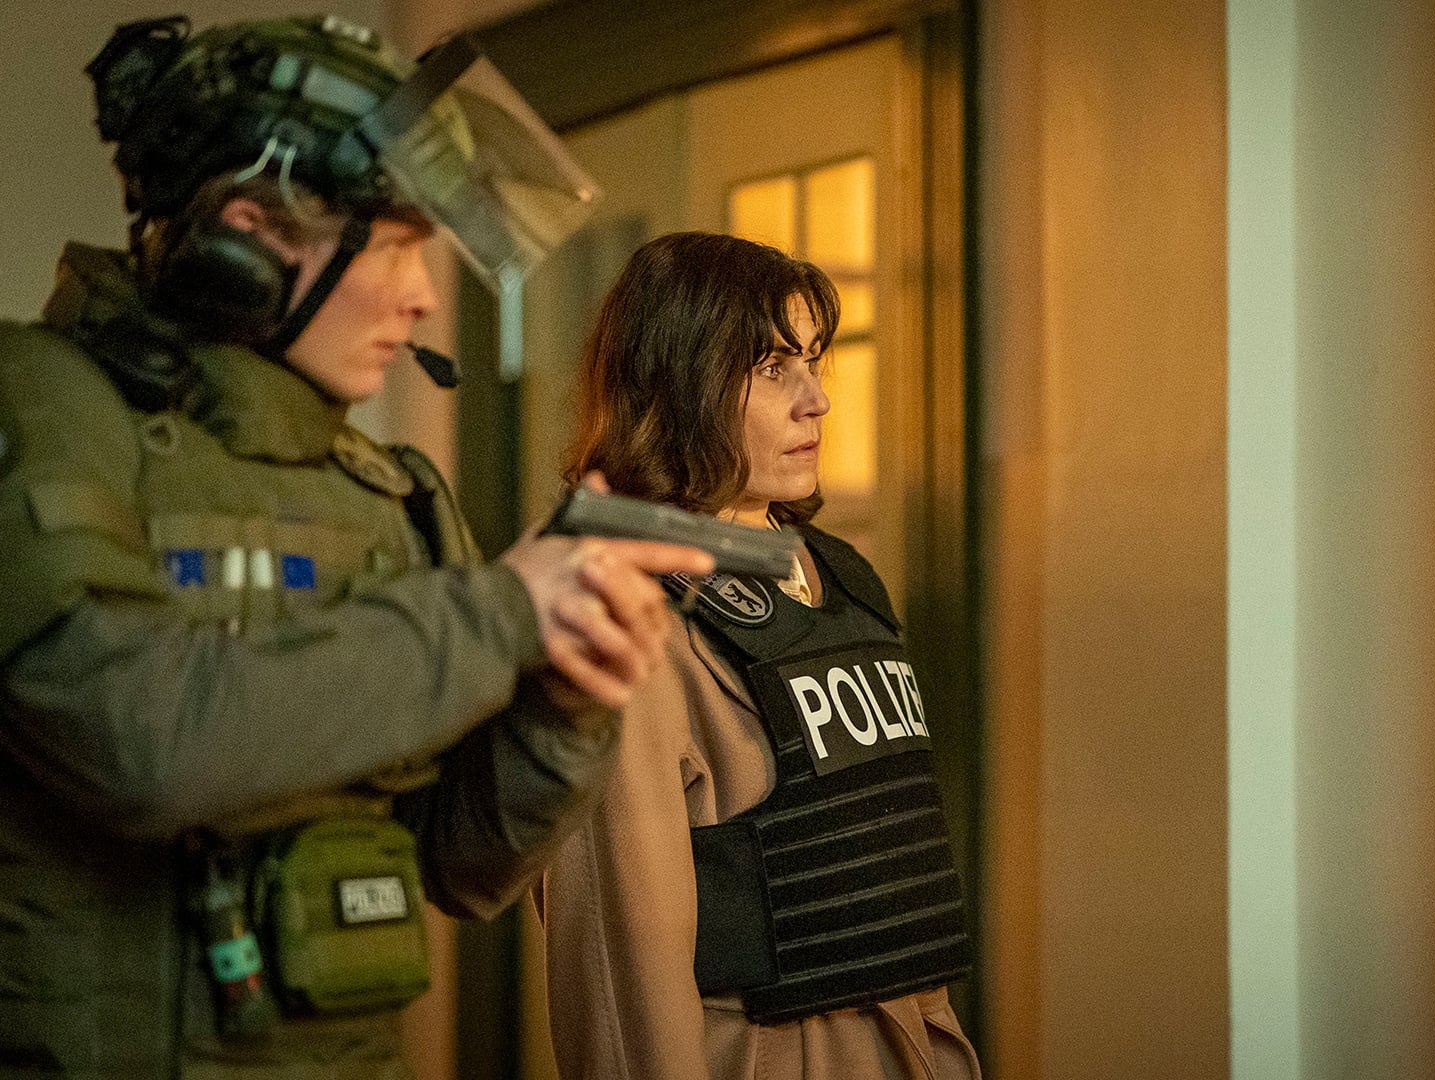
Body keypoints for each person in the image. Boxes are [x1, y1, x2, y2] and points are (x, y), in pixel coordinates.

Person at [0, 15, 714, 1076]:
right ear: (246, 239)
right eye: (394, 246)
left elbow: (461, 864)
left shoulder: (386, 490)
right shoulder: (41, 405)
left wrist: (562, 709)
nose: (424, 297)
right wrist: (502, 612)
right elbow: (138, 741)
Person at [537, 231, 980, 1079]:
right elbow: (624, 984)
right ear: (679, 383)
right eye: (773, 368)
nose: (817, 400)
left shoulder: (844, 577)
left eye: (813, 360)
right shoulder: (626, 609)